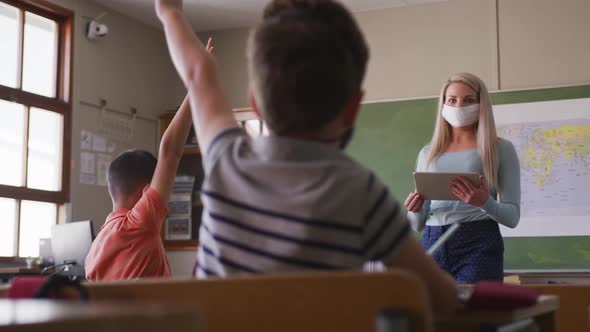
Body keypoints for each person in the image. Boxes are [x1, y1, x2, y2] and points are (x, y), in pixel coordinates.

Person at [156, 0, 459, 314]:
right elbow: (440, 297)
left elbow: (198, 73)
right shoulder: (362, 193)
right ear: (354, 108)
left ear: (254, 104)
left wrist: (170, 13)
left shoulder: (226, 160)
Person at [405, 72, 521, 284]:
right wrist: (414, 210)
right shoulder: (427, 153)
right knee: (432, 314)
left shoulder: (500, 149)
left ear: (481, 104)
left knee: (475, 313)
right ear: (443, 104)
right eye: (452, 100)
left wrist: (484, 202)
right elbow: (417, 224)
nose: (459, 106)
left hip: (478, 241)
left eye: (468, 100)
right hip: (432, 241)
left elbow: (512, 217)